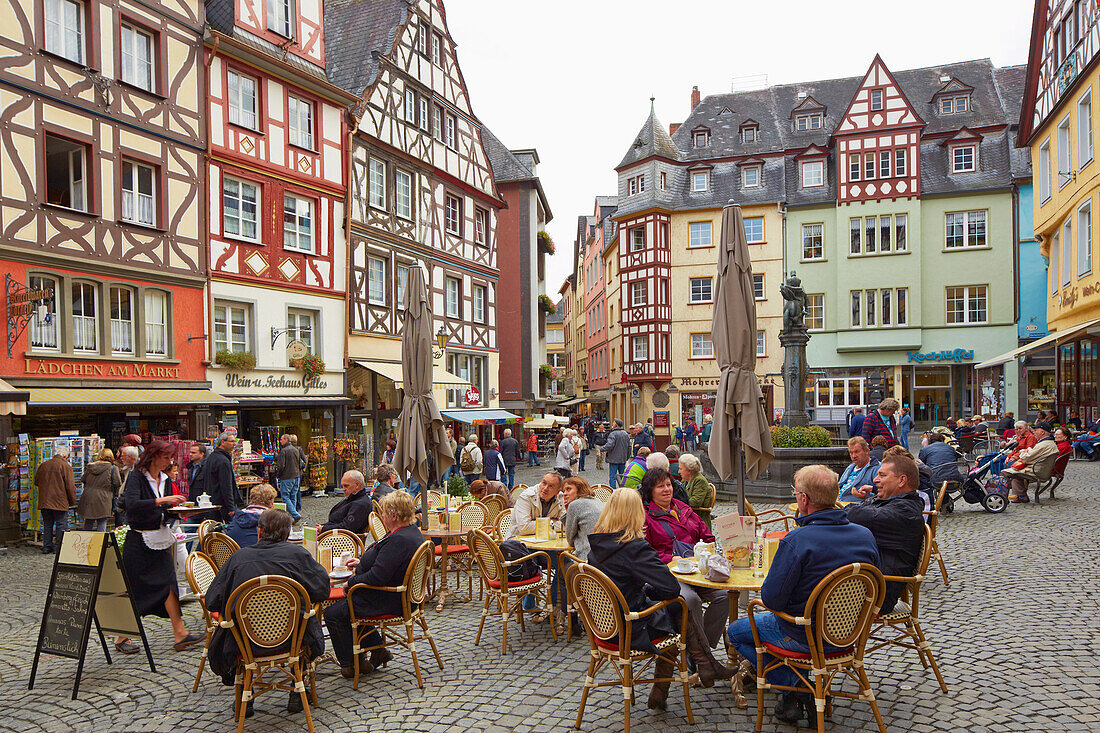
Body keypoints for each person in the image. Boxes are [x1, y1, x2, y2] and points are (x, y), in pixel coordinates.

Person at [727, 465, 879, 725]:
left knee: (735, 633)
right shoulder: (864, 535)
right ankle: (798, 691)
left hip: (803, 635)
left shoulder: (797, 540)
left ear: (803, 499)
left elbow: (772, 600)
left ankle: (795, 687)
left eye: (795, 492)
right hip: (850, 635)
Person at [206, 508, 329, 717]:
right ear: (287, 534)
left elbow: (212, 601)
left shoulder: (238, 558)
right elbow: (322, 590)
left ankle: (247, 696)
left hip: (244, 642)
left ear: (259, 532)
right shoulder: (297, 555)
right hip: (291, 639)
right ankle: (296, 692)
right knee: (301, 619)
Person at [587, 488, 683, 711]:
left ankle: (704, 664)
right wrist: (650, 592)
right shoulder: (634, 547)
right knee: (680, 609)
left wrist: (645, 590)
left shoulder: (598, 545)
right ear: (636, 513)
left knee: (679, 609)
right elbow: (671, 588)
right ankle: (665, 687)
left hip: (602, 628)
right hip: (630, 630)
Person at [639, 466, 730, 686]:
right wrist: (670, 558)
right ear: (650, 491)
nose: (666, 489)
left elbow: (706, 535)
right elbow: (646, 552)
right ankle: (704, 658)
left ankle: (699, 650)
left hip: (698, 570)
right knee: (690, 600)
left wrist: (708, 548)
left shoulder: (684, 509)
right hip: (669, 576)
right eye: (660, 486)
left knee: (725, 595)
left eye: (668, 484)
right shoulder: (646, 517)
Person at [325, 491, 425, 678]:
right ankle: (378, 650)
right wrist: (362, 562)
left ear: (394, 516)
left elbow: (377, 577)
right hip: (398, 595)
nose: (383, 517)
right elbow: (385, 563)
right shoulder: (409, 532)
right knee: (349, 606)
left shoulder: (398, 540)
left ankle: (351, 664)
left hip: (391, 599)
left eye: (385, 513)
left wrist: (351, 582)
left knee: (333, 613)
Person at [116, 440, 202, 655]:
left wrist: (179, 513)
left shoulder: (163, 479)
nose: (169, 461)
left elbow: (161, 511)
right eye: (165, 457)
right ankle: (121, 636)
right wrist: (163, 500)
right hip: (139, 542)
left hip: (160, 538)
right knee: (135, 589)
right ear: (153, 456)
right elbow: (132, 505)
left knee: (169, 584)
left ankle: (180, 633)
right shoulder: (137, 477)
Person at [845, 455, 925, 613]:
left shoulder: (904, 512)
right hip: (862, 582)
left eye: (882, 475)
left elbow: (857, 515)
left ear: (902, 480)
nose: (875, 480)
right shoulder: (894, 503)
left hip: (873, 594)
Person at [35, 444, 77, 554]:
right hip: (59, 500)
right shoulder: (65, 466)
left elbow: (36, 481)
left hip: (45, 500)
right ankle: (59, 547)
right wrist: (72, 501)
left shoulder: (43, 465)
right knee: (61, 524)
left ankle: (47, 546)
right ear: (65, 456)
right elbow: (70, 487)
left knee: (47, 524)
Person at [1005, 421, 1059, 503]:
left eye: (1036, 430)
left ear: (1042, 432)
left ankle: (1001, 497)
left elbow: (1026, 458)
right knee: (1014, 473)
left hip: (1035, 471)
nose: (1034, 432)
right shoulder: (1049, 443)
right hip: (1040, 470)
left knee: (1004, 473)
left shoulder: (1043, 444)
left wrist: (1021, 452)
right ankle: (1020, 496)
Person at [506, 472, 564, 539]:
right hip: (518, 541)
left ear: (557, 491)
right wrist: (551, 521)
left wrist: (535, 523)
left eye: (550, 486)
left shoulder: (561, 497)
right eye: (544, 483)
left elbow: (566, 525)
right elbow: (524, 528)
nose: (545, 488)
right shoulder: (527, 496)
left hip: (547, 541)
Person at [77, 448, 121, 532]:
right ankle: (100, 543)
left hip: (88, 496)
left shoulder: (90, 467)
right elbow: (117, 483)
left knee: (89, 521)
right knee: (102, 521)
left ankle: (85, 543)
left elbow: (83, 479)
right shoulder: (113, 468)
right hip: (104, 497)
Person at [225, 483, 277, 548]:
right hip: (258, 555)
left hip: (233, 555)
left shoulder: (238, 516)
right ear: (271, 504)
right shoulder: (270, 519)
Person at [204, 431, 239, 523]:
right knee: (229, 528)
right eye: (231, 441)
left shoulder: (212, 457)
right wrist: (230, 506)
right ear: (223, 442)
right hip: (222, 502)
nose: (234, 444)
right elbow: (226, 485)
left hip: (212, 501)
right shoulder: (223, 461)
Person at [838, 437, 881, 502]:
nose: (854, 456)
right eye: (851, 453)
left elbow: (882, 493)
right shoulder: (851, 467)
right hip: (838, 503)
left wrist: (865, 497)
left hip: (855, 506)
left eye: (857, 452)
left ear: (867, 451)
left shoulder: (877, 467)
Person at [679, 453, 713, 530]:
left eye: (681, 469)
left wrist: (678, 504)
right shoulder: (685, 480)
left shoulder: (699, 480)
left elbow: (696, 501)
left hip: (698, 520)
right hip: (687, 517)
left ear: (689, 470)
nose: (679, 472)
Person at [275, 434, 302, 524]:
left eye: (281, 439)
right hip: (296, 475)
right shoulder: (296, 449)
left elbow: (281, 466)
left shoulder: (284, 451)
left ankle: (295, 515)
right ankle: (292, 518)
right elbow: (300, 463)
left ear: (286, 439)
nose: (280, 441)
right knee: (293, 496)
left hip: (287, 477)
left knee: (285, 497)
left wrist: (278, 475)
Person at [599, 419, 631, 489]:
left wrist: (602, 449)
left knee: (612, 477)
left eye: (613, 422)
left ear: (616, 424)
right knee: (622, 476)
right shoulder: (626, 434)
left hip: (613, 459)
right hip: (622, 459)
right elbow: (629, 447)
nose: (612, 423)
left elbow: (610, 445)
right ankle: (623, 490)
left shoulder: (613, 434)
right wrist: (626, 457)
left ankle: (613, 490)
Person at [115, 445, 140, 525]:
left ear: (129, 457)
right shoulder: (130, 469)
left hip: (134, 509)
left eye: (122, 456)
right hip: (128, 507)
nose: (121, 458)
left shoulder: (138, 470)